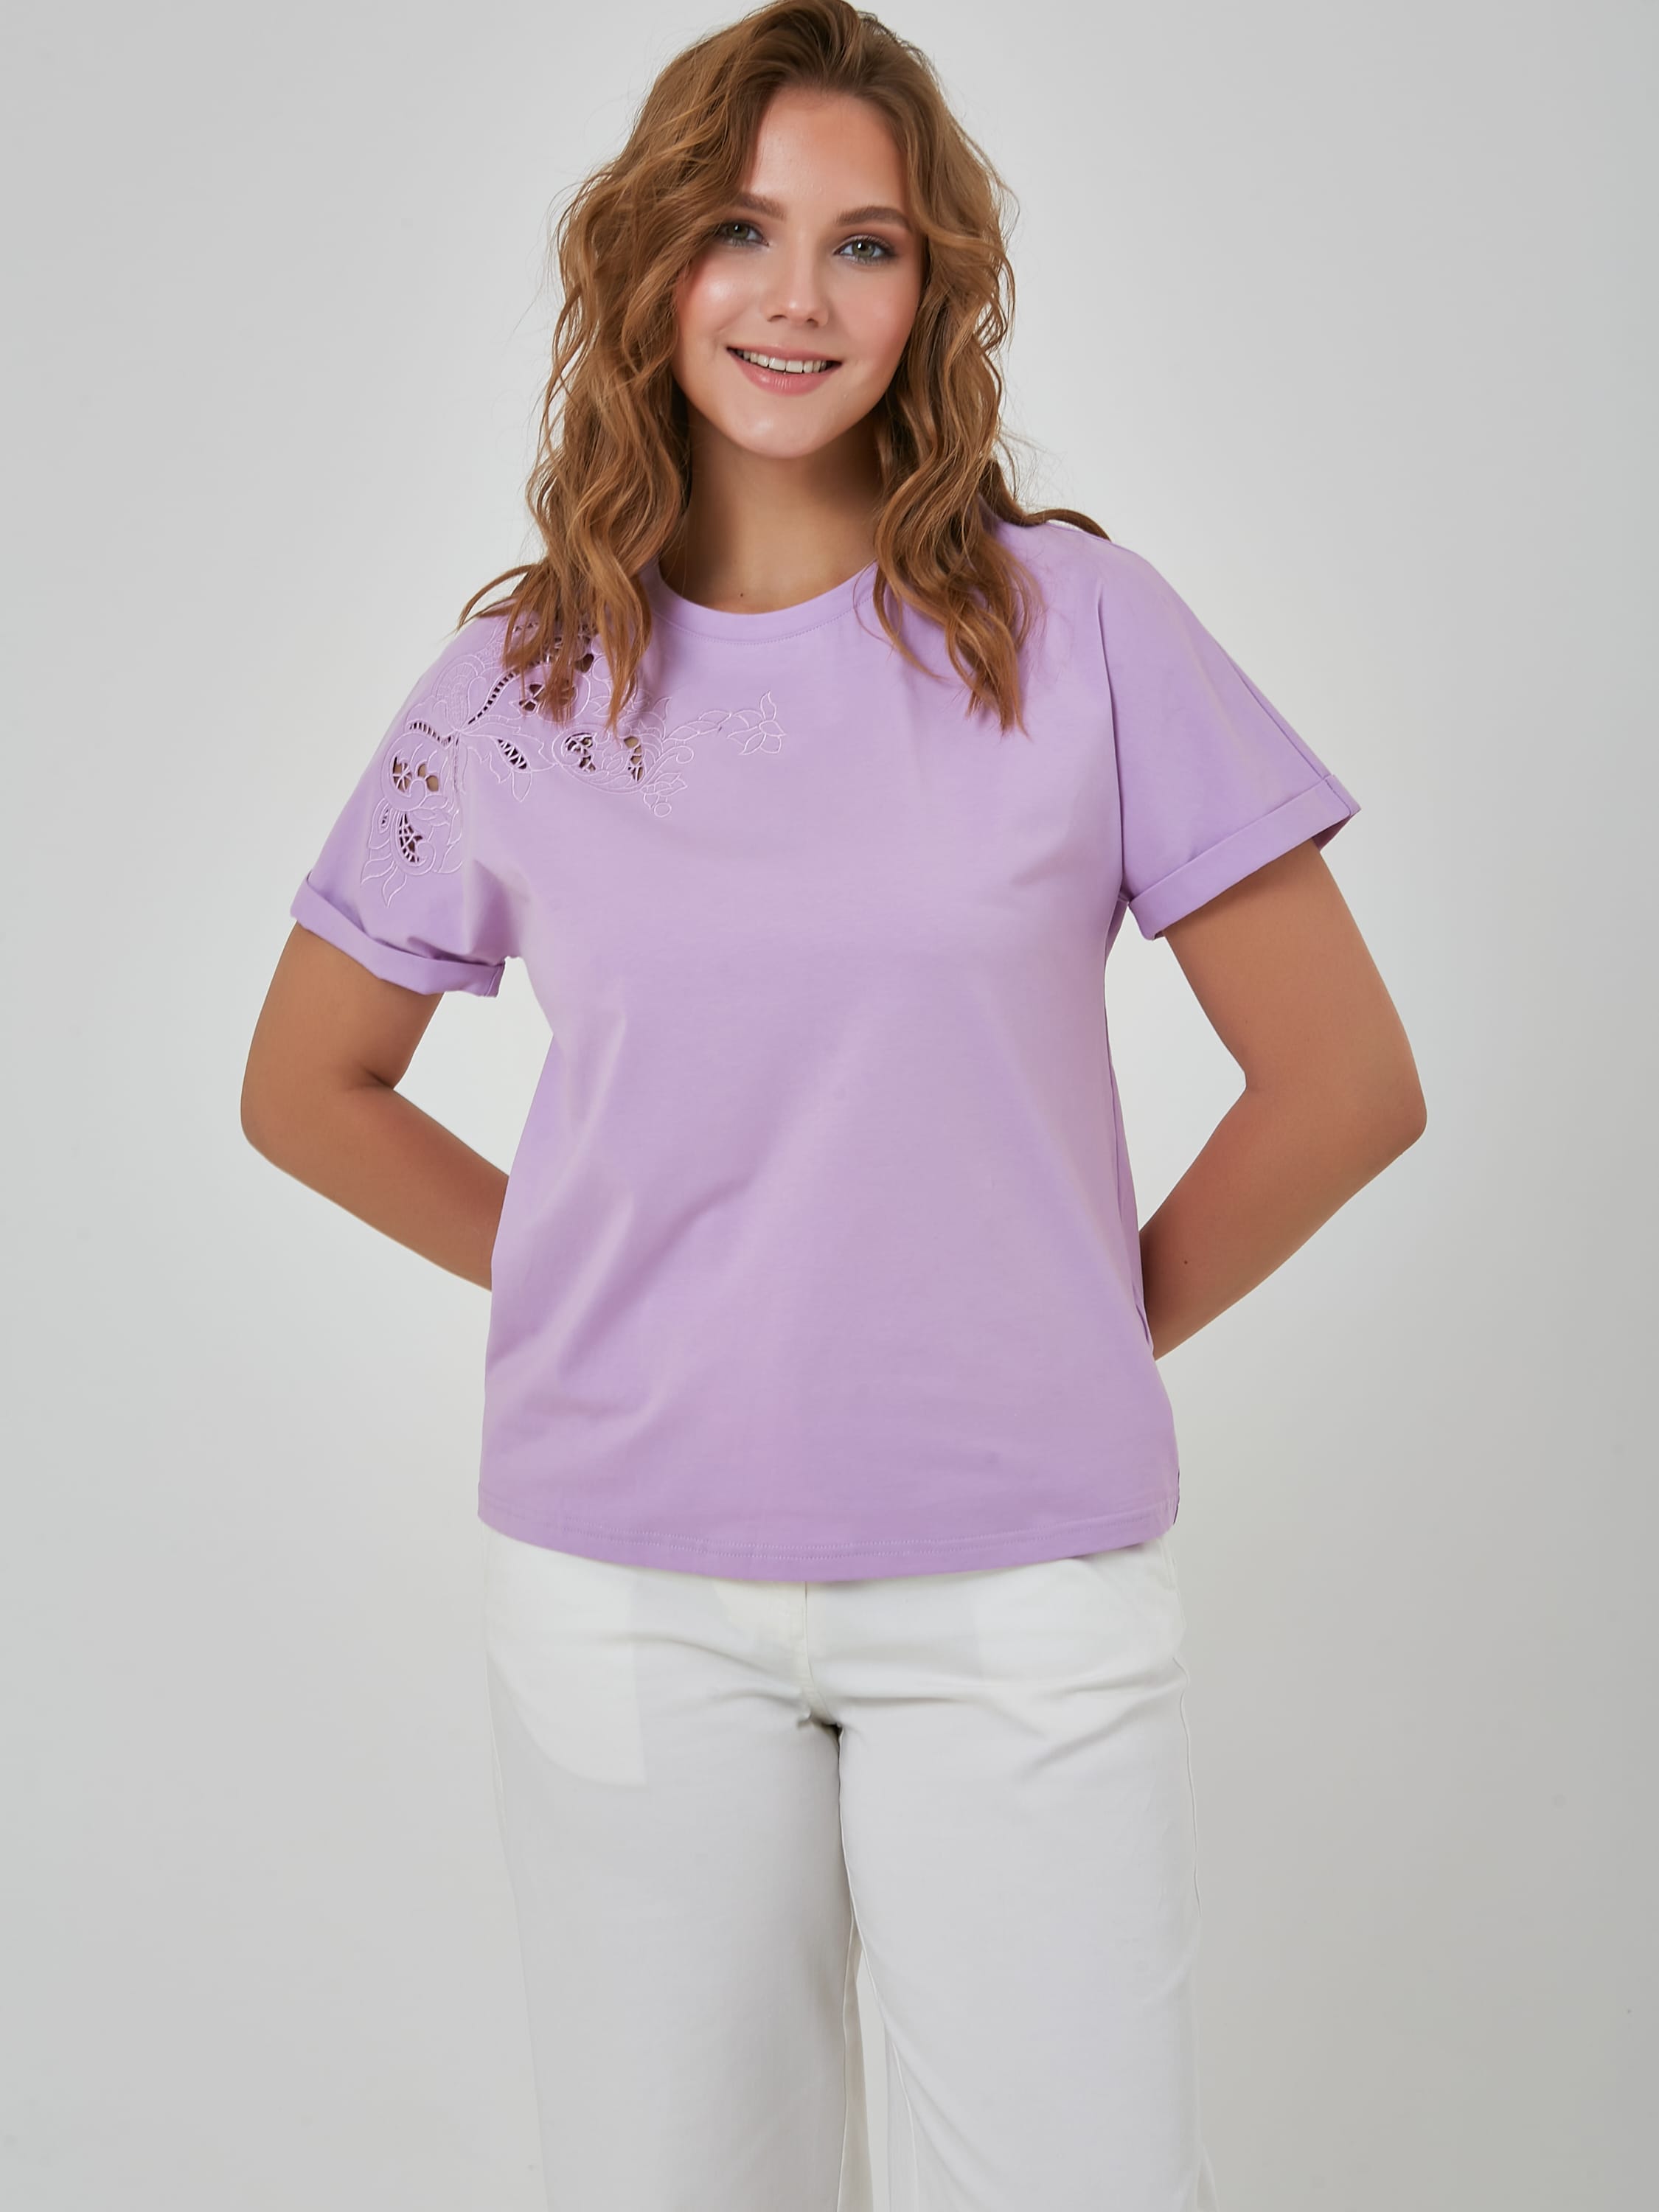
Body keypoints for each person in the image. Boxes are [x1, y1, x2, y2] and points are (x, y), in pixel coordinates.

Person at [241, 3, 1425, 2205]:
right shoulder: (516, 688)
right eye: (739, 230)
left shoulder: (1081, 630)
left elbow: (1346, 1083)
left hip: (1017, 1585)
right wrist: (615, 1290)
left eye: (862, 243)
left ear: (931, 286)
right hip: (622, 1588)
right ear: (647, 263)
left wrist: (1067, 1326)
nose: (797, 296)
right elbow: (307, 1086)